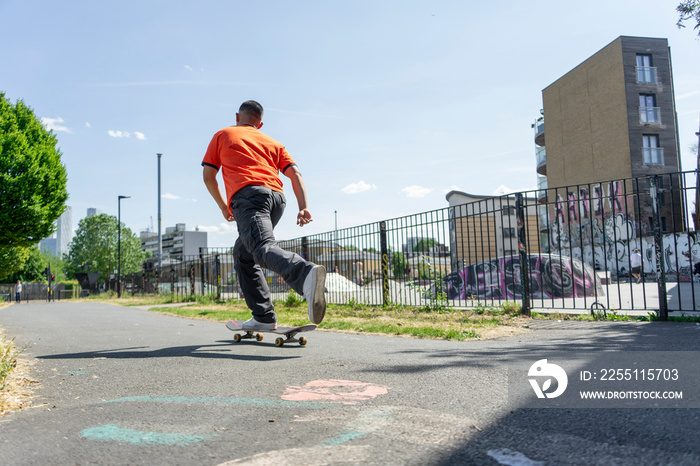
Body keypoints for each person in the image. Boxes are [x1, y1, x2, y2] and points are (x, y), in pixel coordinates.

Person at [202, 100, 326, 331]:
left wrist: (223, 206)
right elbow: (295, 173)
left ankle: (304, 272)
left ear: (237, 117)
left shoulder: (223, 134)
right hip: (277, 199)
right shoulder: (273, 142)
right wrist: (304, 206)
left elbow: (209, 175)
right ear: (260, 124)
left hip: (249, 196)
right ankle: (263, 316)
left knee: (261, 247)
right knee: (243, 254)